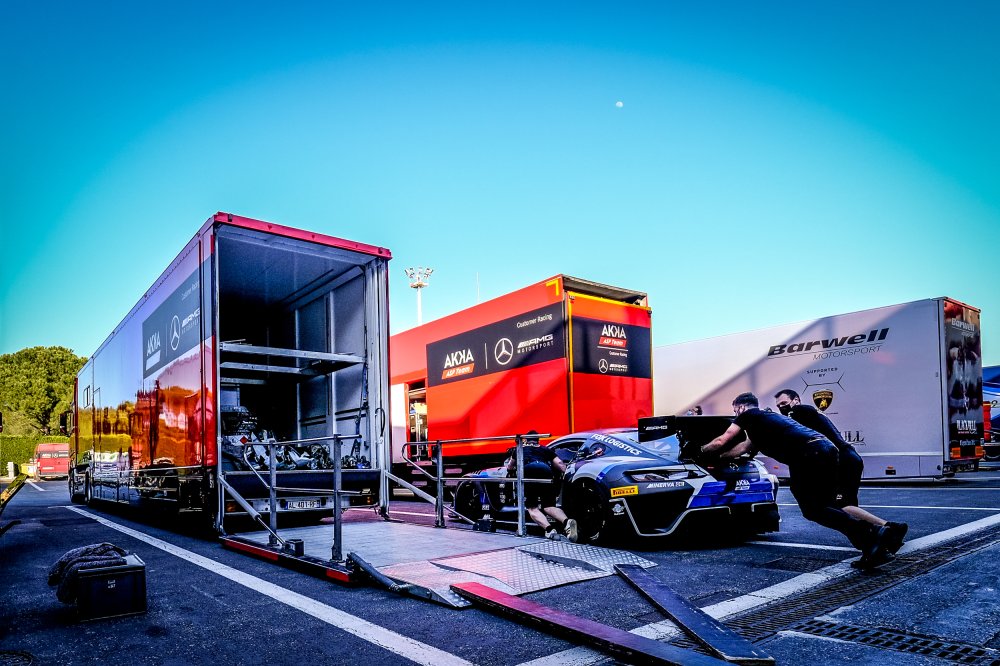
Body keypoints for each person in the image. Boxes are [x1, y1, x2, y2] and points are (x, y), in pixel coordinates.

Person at [700, 392, 893, 568]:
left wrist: (700, 452)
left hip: (809, 453)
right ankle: (873, 547)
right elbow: (742, 448)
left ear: (741, 407)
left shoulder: (748, 415)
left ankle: (872, 532)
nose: (735, 414)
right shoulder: (766, 420)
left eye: (735, 410)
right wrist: (722, 457)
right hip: (826, 450)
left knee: (813, 509)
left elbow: (722, 441)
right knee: (827, 506)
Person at [774, 388, 907, 554]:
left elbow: (785, 427)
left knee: (836, 506)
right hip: (848, 457)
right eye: (779, 406)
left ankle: (887, 530)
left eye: (784, 403)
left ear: (796, 400)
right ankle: (889, 531)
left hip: (841, 460)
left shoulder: (799, 411)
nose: (782, 408)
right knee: (846, 505)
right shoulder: (811, 415)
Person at [506, 431, 578, 542]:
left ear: (526, 440)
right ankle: (567, 522)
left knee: (532, 508)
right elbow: (560, 464)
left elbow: (510, 466)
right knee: (548, 506)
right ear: (538, 440)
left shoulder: (520, 449)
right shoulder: (545, 449)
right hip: (546, 471)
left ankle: (550, 530)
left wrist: (511, 470)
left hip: (529, 472)